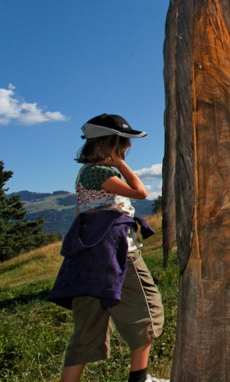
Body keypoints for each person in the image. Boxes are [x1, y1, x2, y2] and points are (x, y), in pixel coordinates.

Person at [48, 114, 167, 382]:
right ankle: (139, 378)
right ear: (110, 143)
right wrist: (122, 166)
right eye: (124, 141)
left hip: (88, 257)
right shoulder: (100, 172)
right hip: (115, 252)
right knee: (147, 308)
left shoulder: (85, 174)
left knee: (89, 324)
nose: (129, 146)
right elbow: (140, 192)